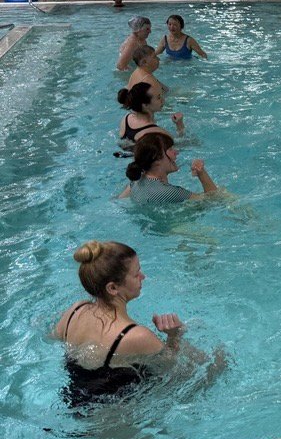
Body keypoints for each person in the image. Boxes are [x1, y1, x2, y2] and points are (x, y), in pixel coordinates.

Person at [53, 241, 189, 407]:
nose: (143, 277)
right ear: (112, 288)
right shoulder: (136, 335)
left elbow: (52, 338)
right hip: (112, 415)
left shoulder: (75, 311)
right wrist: (174, 335)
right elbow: (173, 367)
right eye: (136, 274)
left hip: (72, 399)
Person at [120, 133, 217, 203]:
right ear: (157, 158)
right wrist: (202, 173)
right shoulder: (171, 193)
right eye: (170, 149)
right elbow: (214, 200)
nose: (176, 152)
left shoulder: (135, 182)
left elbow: (118, 200)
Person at [117, 82, 184, 144]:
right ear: (145, 105)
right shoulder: (157, 133)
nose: (163, 99)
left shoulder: (126, 118)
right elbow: (181, 144)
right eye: (158, 98)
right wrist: (179, 124)